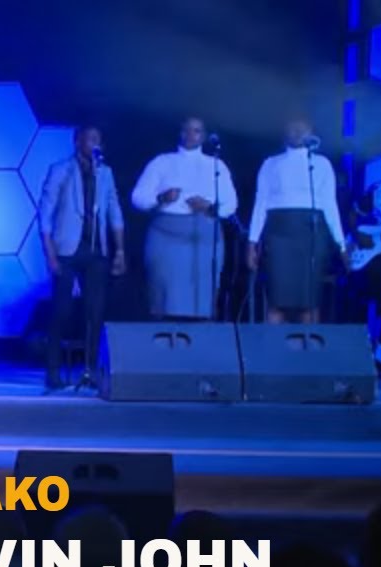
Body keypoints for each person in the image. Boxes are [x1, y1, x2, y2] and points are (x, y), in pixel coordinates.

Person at [37, 124, 127, 390]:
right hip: (66, 249)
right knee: (62, 310)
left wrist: (120, 250)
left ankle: (91, 370)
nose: (95, 144)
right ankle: (53, 370)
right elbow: (45, 212)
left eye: (99, 139)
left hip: (96, 249)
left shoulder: (105, 173)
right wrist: (50, 253)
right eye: (90, 139)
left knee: (95, 312)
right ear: (78, 142)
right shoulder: (61, 170)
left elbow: (114, 211)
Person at [131, 117, 238, 320]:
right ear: (180, 133)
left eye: (196, 131)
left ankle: (201, 332)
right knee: (163, 298)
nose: (190, 135)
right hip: (166, 234)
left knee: (202, 297)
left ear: (203, 136)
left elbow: (231, 204)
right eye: (186, 130)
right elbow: (137, 198)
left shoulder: (216, 165)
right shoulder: (162, 162)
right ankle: (164, 334)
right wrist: (162, 198)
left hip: (203, 235)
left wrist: (209, 207)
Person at [247, 117, 346, 324]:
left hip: (311, 233)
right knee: (277, 299)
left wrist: (341, 244)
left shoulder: (321, 164)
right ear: (284, 132)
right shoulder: (271, 164)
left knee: (309, 301)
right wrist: (252, 242)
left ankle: (308, 344)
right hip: (279, 233)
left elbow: (330, 205)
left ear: (311, 133)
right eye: (293, 128)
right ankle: (273, 343)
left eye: (303, 129)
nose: (298, 132)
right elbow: (261, 203)